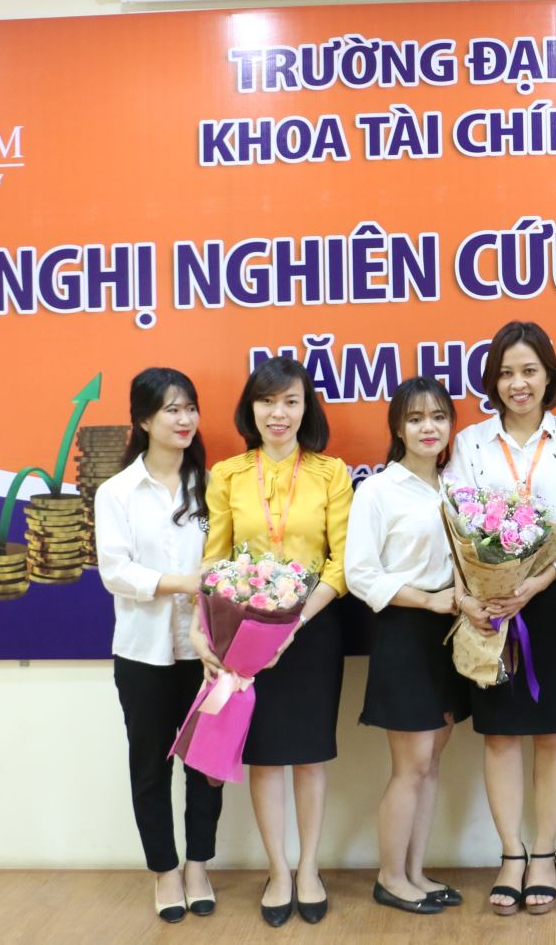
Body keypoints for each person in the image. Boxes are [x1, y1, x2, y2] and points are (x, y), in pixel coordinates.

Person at [447, 320, 556, 916]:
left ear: (548, 376)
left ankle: (543, 854)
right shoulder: (470, 443)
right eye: (507, 373)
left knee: (553, 733)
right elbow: (457, 520)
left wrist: (541, 578)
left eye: (529, 371)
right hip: (490, 605)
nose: (519, 383)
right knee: (500, 735)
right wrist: (483, 592)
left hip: (555, 601)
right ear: (493, 380)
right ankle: (510, 853)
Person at [194, 356, 351, 927]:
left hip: (312, 629)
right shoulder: (228, 475)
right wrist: (202, 628)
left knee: (308, 756)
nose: (278, 412)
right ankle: (278, 870)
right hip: (245, 636)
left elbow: (341, 564)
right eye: (267, 401)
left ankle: (309, 867)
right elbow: (214, 560)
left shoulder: (331, 473)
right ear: (251, 408)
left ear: (306, 408)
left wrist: (295, 622)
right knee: (264, 757)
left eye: (290, 401)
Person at [94, 367, 221, 923]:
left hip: (207, 653)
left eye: (190, 407)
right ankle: (165, 871)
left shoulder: (212, 486)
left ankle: (198, 866)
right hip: (143, 654)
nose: (184, 419)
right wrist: (182, 583)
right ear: (143, 420)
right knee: (150, 766)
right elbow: (115, 571)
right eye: (171, 409)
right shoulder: (117, 492)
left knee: (206, 766)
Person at [345, 376, 470, 916]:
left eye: (438, 417)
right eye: (416, 418)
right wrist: (428, 600)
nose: (428, 428)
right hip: (404, 631)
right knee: (412, 763)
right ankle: (390, 877)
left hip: (451, 633)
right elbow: (361, 574)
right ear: (398, 427)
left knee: (432, 759)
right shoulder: (377, 491)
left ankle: (415, 871)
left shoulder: (456, 487)